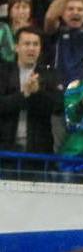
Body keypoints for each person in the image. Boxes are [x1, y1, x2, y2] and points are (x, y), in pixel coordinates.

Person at [0, 25, 61, 157]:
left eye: (35, 44)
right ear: (16, 47)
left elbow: (57, 107)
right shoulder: (3, 72)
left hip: (38, 152)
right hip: (4, 150)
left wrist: (37, 92)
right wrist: (24, 94)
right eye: (26, 44)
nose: (31, 48)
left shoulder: (50, 75)